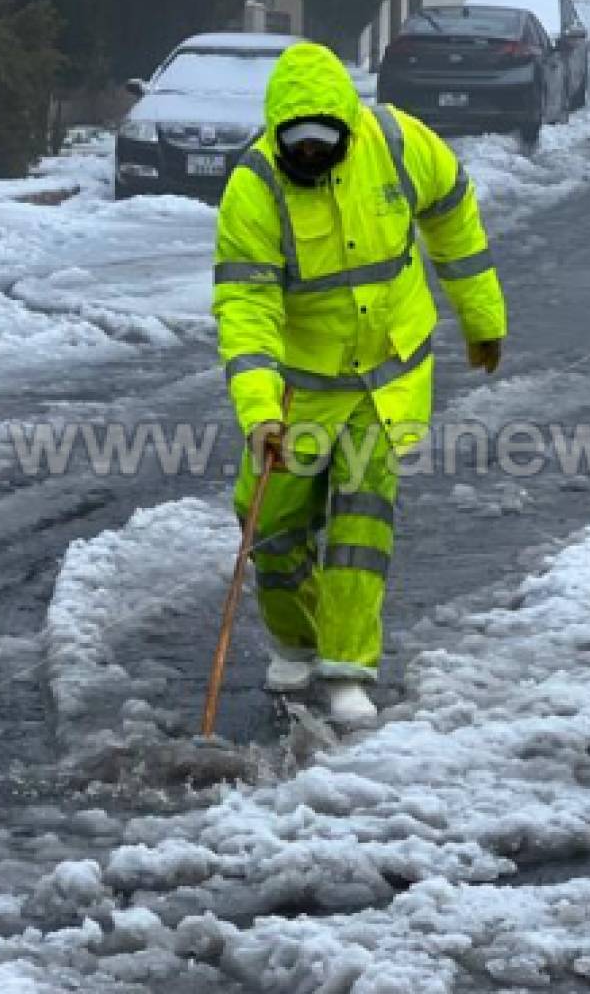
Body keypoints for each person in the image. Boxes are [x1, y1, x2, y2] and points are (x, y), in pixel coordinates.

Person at [212, 42, 507, 725]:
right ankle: (296, 639)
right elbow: (246, 312)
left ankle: (348, 670)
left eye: (326, 143)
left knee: (359, 519)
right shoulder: (254, 189)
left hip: (388, 374)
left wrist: (482, 315)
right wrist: (260, 414)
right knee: (268, 523)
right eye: (299, 146)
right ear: (276, 135)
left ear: (350, 124)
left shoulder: (399, 141)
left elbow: (454, 213)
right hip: (301, 385)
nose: (313, 156)